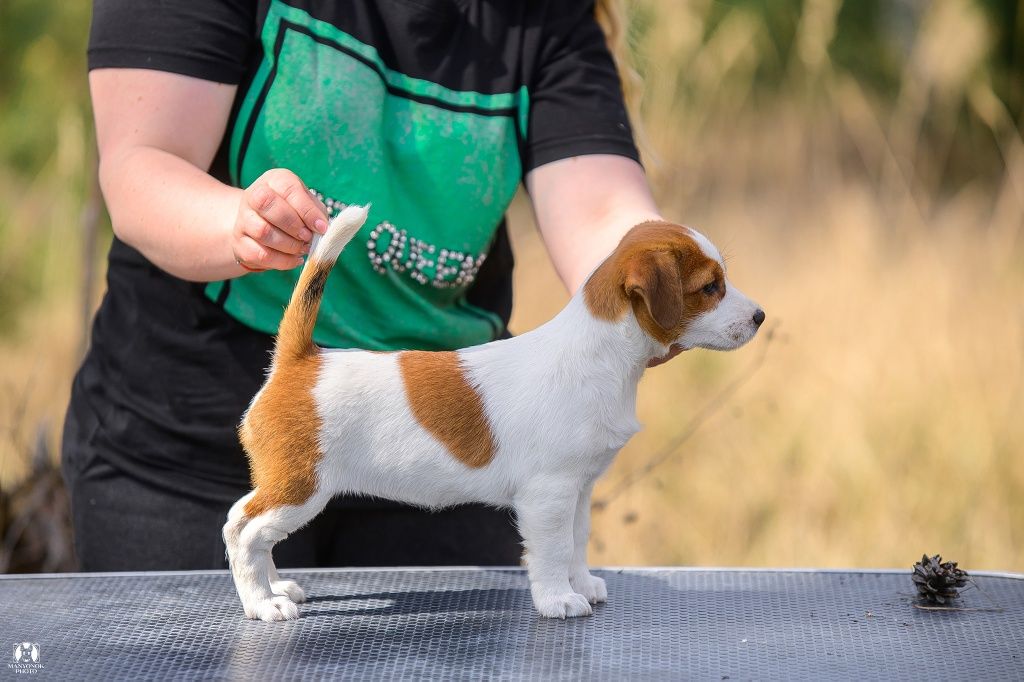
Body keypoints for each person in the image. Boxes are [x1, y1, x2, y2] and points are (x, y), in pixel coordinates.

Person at [62, 0, 677, 571]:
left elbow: (602, 216)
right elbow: (144, 163)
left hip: (451, 445)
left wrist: (667, 284)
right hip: (187, 444)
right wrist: (240, 226)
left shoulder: (544, 15)